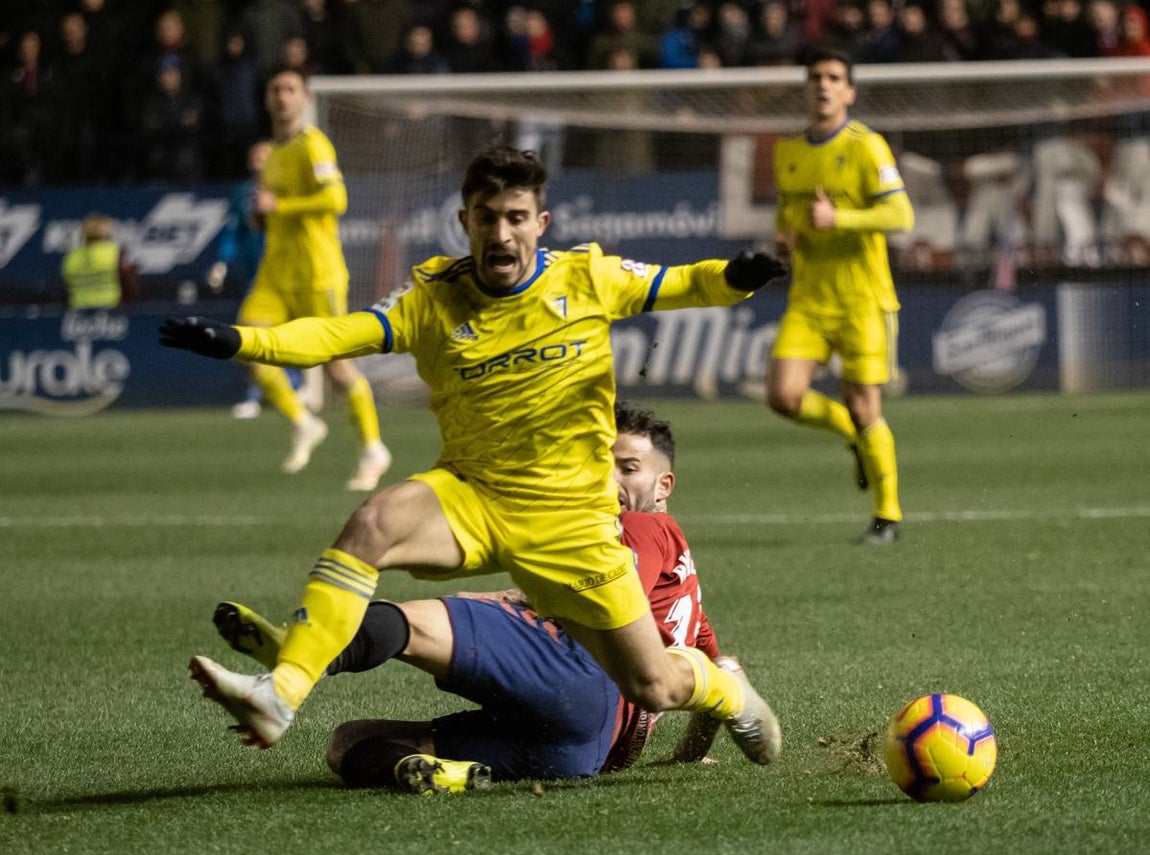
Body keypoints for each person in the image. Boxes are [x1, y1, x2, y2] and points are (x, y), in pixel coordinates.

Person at [161, 145, 788, 767]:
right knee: (373, 524)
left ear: (540, 224)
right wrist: (243, 341)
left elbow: (683, 283)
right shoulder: (434, 296)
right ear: (465, 222)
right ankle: (282, 694)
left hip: (572, 524)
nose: (501, 232)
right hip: (475, 498)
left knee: (652, 686)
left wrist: (739, 278)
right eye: (486, 216)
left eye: (516, 216)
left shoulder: (585, 277)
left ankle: (728, 690)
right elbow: (338, 333)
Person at [209, 402, 740, 793]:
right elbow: (723, 673)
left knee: (407, 623)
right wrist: (687, 757)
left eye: (628, 468)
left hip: (576, 673)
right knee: (351, 741)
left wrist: (502, 595)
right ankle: (446, 776)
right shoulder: (685, 584)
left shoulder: (639, 527)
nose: (609, 480)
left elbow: (608, 587)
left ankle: (295, 661)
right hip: (587, 752)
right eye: (602, 464)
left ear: (663, 485)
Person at [768, 45, 914, 546]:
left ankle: (887, 517)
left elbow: (901, 216)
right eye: (815, 77)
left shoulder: (868, 146)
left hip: (862, 299)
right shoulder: (786, 152)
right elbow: (787, 217)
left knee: (865, 402)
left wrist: (841, 218)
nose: (823, 85)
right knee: (783, 396)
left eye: (834, 77)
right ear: (806, 89)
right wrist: (785, 237)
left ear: (849, 91)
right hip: (809, 299)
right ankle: (854, 437)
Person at [238, 65, 391, 490]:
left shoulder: (313, 145)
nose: (282, 96)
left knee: (337, 369)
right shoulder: (274, 153)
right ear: (267, 98)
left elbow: (335, 198)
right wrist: (263, 215)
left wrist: (279, 207)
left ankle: (373, 448)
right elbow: (272, 209)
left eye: (290, 89)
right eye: (275, 89)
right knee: (246, 346)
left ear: (305, 98)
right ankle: (304, 421)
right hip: (276, 271)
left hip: (316, 271)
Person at [208, 139, 304, 420]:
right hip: (258, 277)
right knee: (251, 336)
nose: (259, 162)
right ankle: (254, 395)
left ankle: (295, 387)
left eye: (265, 157)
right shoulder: (243, 195)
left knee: (290, 336)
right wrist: (223, 263)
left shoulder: (287, 191)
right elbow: (233, 233)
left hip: (290, 274)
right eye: (256, 157)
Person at [61, 213, 137, 310]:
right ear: (106, 232)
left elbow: (67, 288)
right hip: (111, 311)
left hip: (79, 312)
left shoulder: (71, 257)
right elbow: (129, 286)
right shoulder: (114, 252)